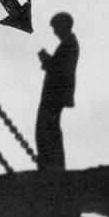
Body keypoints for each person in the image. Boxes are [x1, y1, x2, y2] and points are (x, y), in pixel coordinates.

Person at [35, 12, 78, 170]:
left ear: (64, 26)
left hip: (55, 96)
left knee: (46, 128)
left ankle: (51, 164)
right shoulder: (69, 44)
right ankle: (51, 163)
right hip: (56, 95)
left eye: (56, 28)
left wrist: (46, 59)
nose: (54, 32)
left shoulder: (69, 45)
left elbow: (59, 69)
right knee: (48, 128)